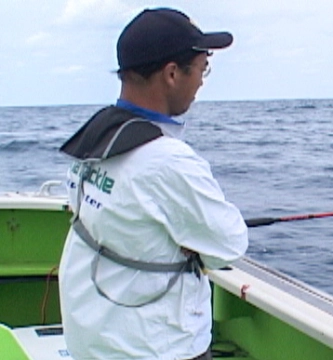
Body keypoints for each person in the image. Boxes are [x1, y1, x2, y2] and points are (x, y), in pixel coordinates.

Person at [57, 8, 248, 360]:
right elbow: (230, 245)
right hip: (155, 349)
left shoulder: (97, 134)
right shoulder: (170, 162)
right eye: (202, 69)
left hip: (92, 342)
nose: (203, 81)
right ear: (172, 73)